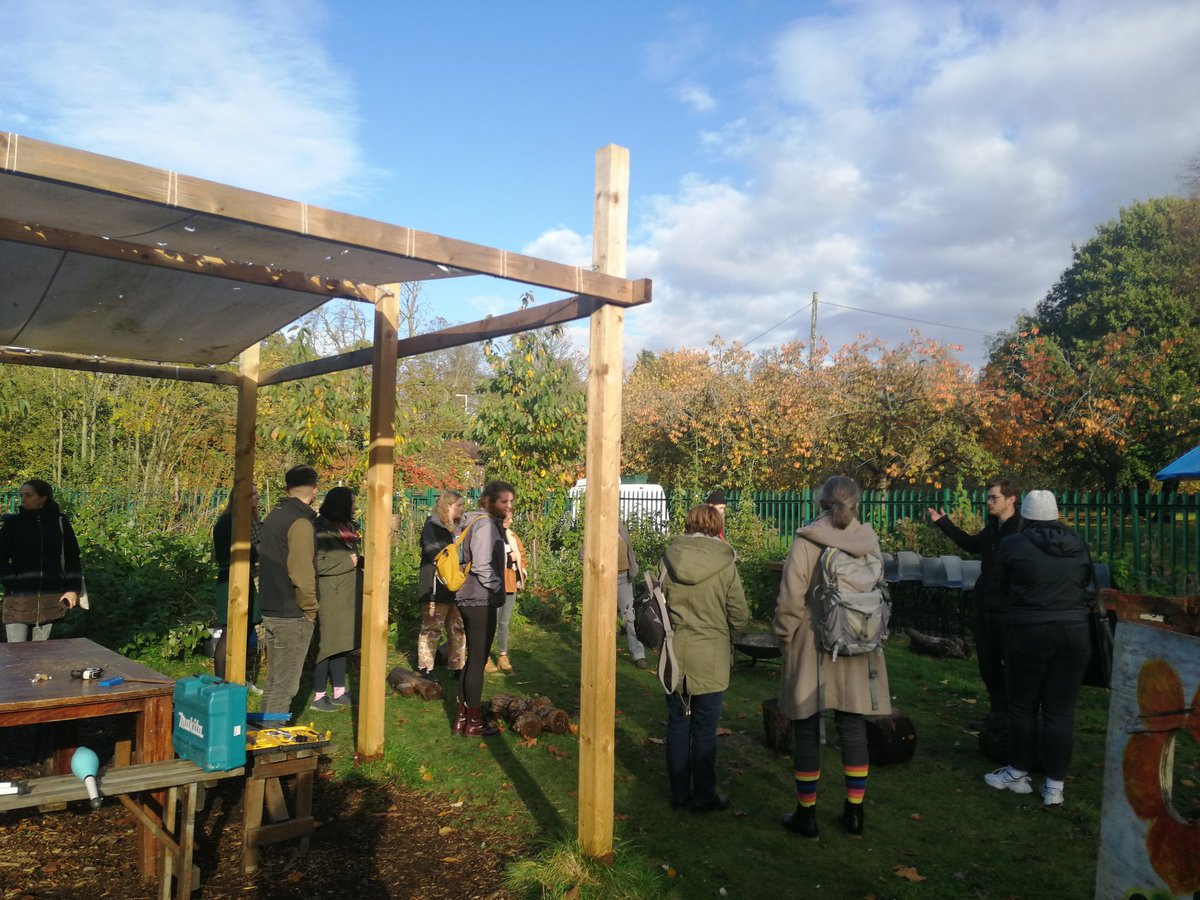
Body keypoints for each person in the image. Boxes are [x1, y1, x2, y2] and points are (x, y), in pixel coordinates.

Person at [774, 475, 890, 839]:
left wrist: (783, 635)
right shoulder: (868, 540)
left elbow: (792, 596)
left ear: (820, 501)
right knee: (853, 727)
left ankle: (806, 814)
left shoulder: (807, 539)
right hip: (859, 642)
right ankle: (854, 813)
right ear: (857, 503)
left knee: (807, 728)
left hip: (814, 641)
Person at [985, 490, 1092, 807]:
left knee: (1023, 704)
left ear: (1026, 516)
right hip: (1075, 632)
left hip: (1029, 629)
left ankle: (1018, 773)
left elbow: (1002, 584)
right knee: (1061, 710)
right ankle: (1055, 787)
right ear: (1057, 514)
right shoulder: (1078, 544)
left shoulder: (1014, 544)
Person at [660, 503, 749, 812]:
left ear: (689, 523)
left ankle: (679, 793)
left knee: (677, 725)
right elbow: (739, 613)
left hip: (673, 654)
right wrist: (734, 635)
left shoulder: (669, 558)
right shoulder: (725, 564)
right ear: (716, 525)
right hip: (710, 654)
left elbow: (657, 601)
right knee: (704, 728)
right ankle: (704, 795)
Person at [928, 478, 1023, 728]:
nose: (989, 502)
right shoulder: (993, 527)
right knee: (988, 666)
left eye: (994, 498)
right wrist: (944, 523)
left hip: (1008, 608)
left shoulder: (1022, 530)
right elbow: (971, 544)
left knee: (1011, 667)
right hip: (985, 606)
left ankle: (1017, 720)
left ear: (1011, 499)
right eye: (988, 497)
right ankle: (997, 717)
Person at [257, 465, 320, 719]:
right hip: (291, 612)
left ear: (287, 488)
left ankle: (263, 732)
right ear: (314, 491)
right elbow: (302, 573)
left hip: (272, 606)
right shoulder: (300, 522)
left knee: (274, 680)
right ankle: (272, 741)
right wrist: (310, 609)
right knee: (285, 685)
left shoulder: (275, 514)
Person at [452, 480, 514, 737]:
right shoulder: (486, 525)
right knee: (478, 660)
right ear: (488, 501)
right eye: (503, 501)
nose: (509, 506)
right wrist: (497, 585)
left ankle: (462, 718)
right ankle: (475, 723)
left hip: (469, 597)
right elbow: (481, 565)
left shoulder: (474, 521)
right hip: (479, 598)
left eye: (511, 501)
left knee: (472, 658)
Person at [0, 479, 82, 641]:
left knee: (42, 656)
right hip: (18, 600)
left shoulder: (60, 523)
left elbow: (72, 557)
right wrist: (12, 581)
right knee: (16, 654)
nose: (23, 499)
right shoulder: (13, 524)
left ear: (43, 498)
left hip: (50, 599)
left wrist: (72, 589)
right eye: (22, 495)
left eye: (28, 495)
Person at [310, 487, 363, 712]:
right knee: (326, 646)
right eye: (351, 503)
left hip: (346, 596)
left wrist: (360, 561)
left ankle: (339, 691)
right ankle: (318, 696)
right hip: (331, 596)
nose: (355, 507)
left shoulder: (348, 529)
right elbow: (317, 563)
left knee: (341, 644)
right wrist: (347, 563)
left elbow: (349, 556)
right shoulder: (320, 529)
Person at [212, 485, 262, 684]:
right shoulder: (227, 523)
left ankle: (241, 678)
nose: (258, 498)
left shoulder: (250, 522)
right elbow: (225, 556)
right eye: (253, 494)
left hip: (250, 579)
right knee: (229, 631)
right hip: (231, 582)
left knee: (248, 628)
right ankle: (221, 679)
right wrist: (256, 550)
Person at [416, 491, 467, 681]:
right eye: (459, 506)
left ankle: (457, 665)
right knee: (432, 627)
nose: (462, 509)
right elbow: (432, 552)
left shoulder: (458, 528)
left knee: (457, 626)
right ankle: (425, 668)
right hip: (435, 585)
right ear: (448, 506)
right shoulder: (432, 526)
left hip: (455, 585)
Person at [486, 512, 526, 674]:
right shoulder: (490, 536)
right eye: (506, 518)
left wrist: (520, 566)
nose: (509, 521)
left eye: (510, 518)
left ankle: (503, 656)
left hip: (510, 582)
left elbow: (522, 557)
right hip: (494, 582)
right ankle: (485, 656)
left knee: (504, 621)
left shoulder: (513, 536)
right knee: (490, 621)